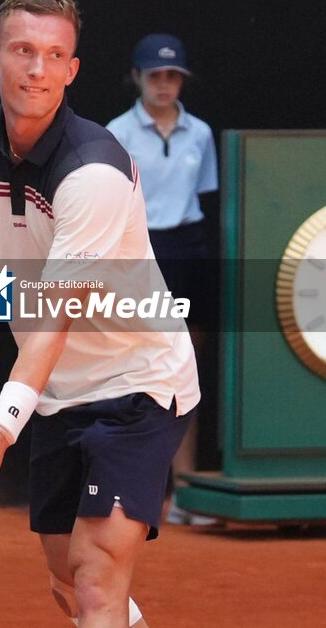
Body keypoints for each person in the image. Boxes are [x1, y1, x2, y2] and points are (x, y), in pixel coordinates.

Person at [0, 0, 200, 628]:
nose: (37, 69)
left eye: (55, 56)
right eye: (23, 50)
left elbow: (53, 317)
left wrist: (0, 434)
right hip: (53, 388)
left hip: (138, 380)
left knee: (95, 577)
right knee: (66, 582)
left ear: (72, 70)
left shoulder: (95, 174)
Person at [106, 34, 218, 526]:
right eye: (155, 75)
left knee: (185, 372)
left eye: (173, 76)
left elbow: (206, 196)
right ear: (137, 78)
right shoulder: (115, 133)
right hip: (137, 255)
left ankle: (186, 495)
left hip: (189, 252)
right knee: (134, 372)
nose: (165, 84)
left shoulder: (202, 133)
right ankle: (131, 492)